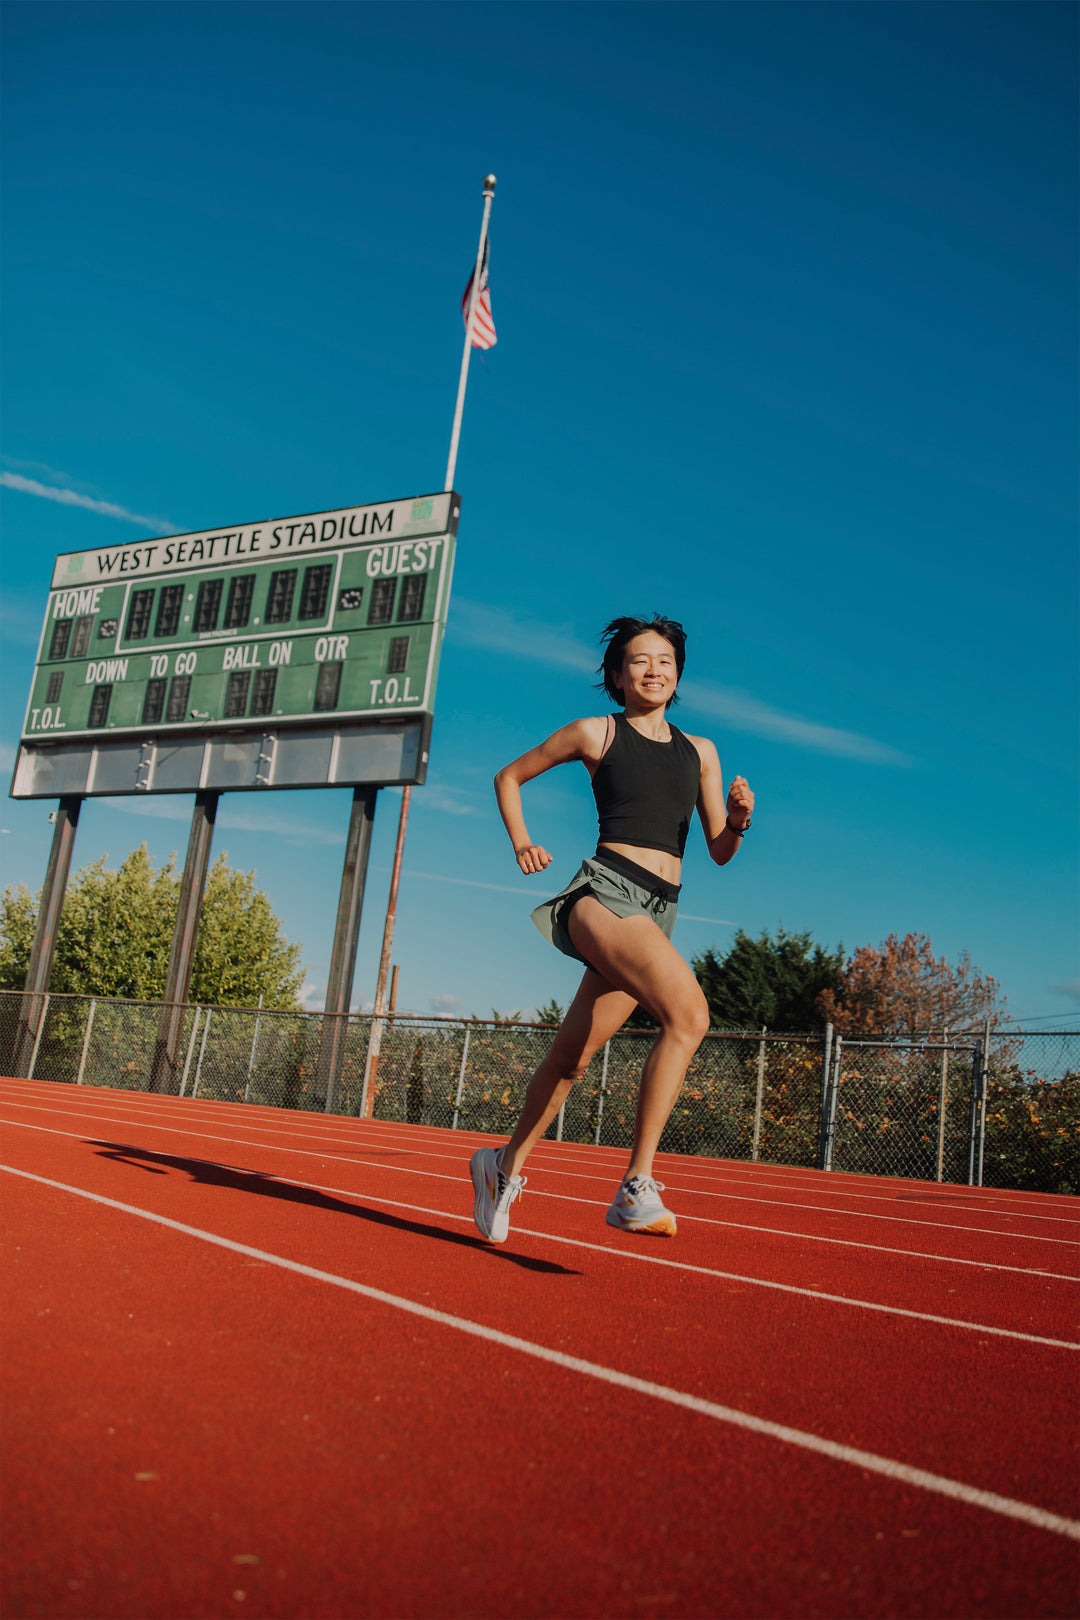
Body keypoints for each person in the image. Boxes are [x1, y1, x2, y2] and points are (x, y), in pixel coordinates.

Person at [470, 615, 754, 1243]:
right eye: (640, 661)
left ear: (678, 675)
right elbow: (508, 776)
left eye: (665, 661)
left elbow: (719, 851)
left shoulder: (701, 751)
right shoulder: (595, 732)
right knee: (690, 1017)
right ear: (617, 675)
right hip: (605, 893)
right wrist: (523, 841)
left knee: (571, 1060)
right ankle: (636, 1186)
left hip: (659, 911)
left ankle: (500, 1167)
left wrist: (737, 820)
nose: (654, 670)